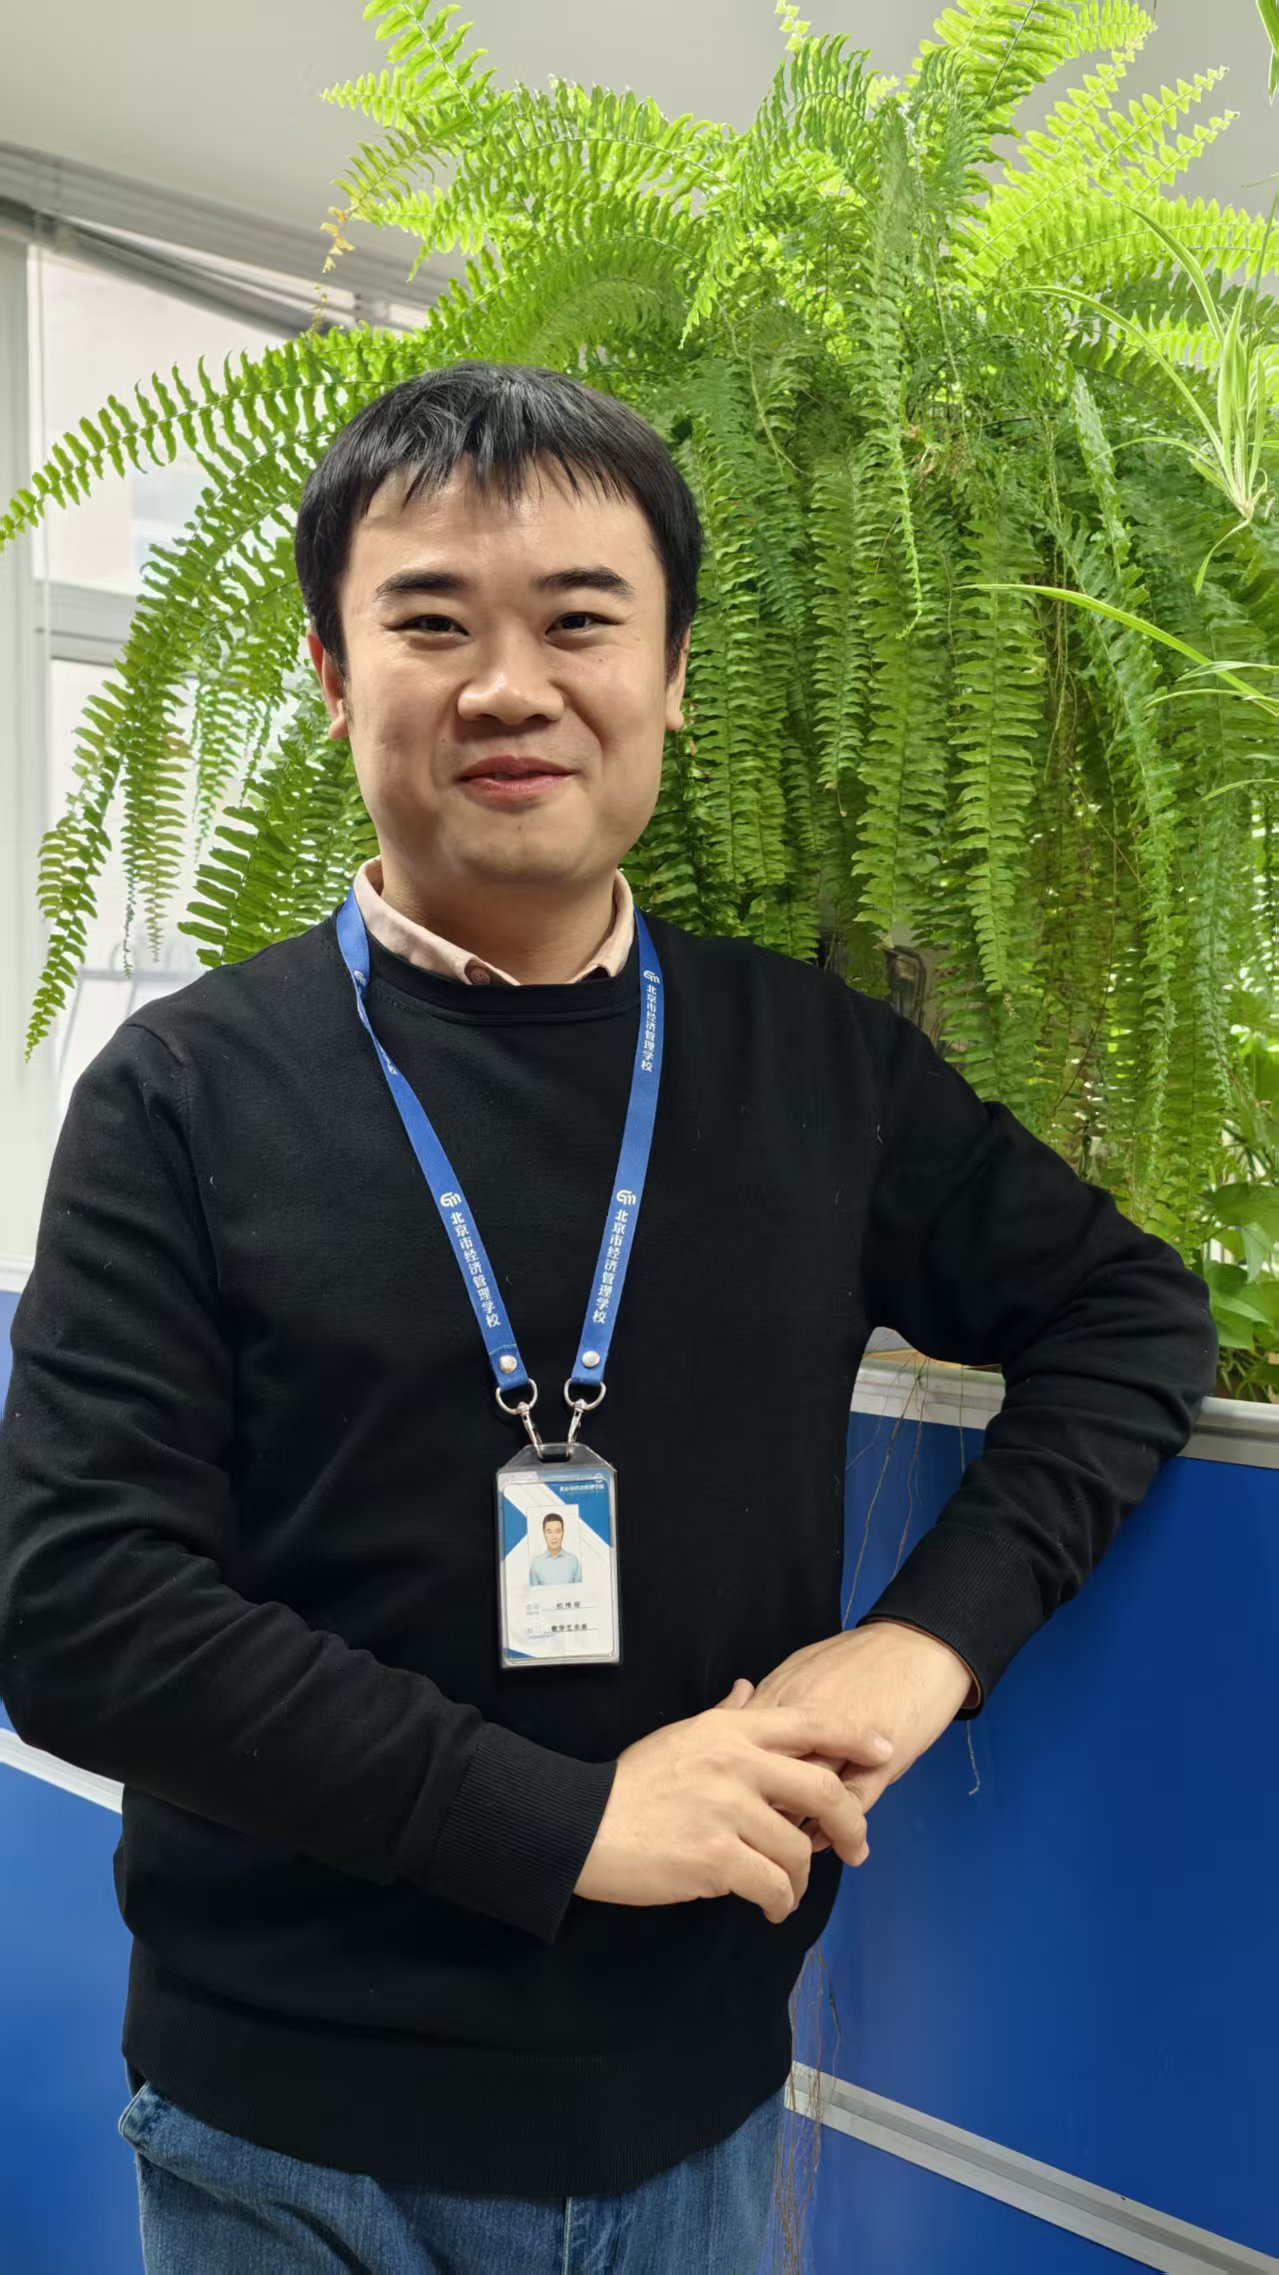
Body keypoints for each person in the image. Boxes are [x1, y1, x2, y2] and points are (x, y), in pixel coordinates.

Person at [0, 360, 1218, 2275]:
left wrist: (924, 1641)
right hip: (286, 2141)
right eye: (430, 622)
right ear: (330, 676)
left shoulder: (812, 1070)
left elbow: (1127, 1315)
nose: (509, 685)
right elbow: (79, 1613)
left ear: (671, 678)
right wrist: (558, 1822)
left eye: (579, 620)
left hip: (697, 2122)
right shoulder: (183, 1094)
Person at [529, 1512, 582, 1586]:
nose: (554, 1536)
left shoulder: (573, 1560)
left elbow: (580, 1590)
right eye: (549, 1532)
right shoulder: (536, 1563)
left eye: (558, 1531)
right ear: (544, 1534)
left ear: (563, 1533)